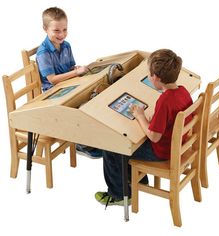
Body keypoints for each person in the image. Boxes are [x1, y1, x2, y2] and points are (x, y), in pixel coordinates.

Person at [95, 49, 193, 206]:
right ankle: (141, 180)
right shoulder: (182, 91)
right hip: (176, 143)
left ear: (156, 78)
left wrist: (140, 116)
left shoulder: (165, 101)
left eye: (149, 75)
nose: (148, 77)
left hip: (162, 151)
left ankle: (118, 194)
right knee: (129, 140)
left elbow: (154, 137)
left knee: (113, 147)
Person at [36, 7, 102, 158]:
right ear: (45, 29)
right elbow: (52, 80)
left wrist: (75, 69)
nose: (62, 34)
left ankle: (90, 139)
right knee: (81, 107)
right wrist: (75, 73)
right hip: (52, 92)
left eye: (65, 29)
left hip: (68, 84)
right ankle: (79, 144)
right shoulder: (43, 52)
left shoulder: (66, 46)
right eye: (56, 31)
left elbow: (71, 66)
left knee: (94, 97)